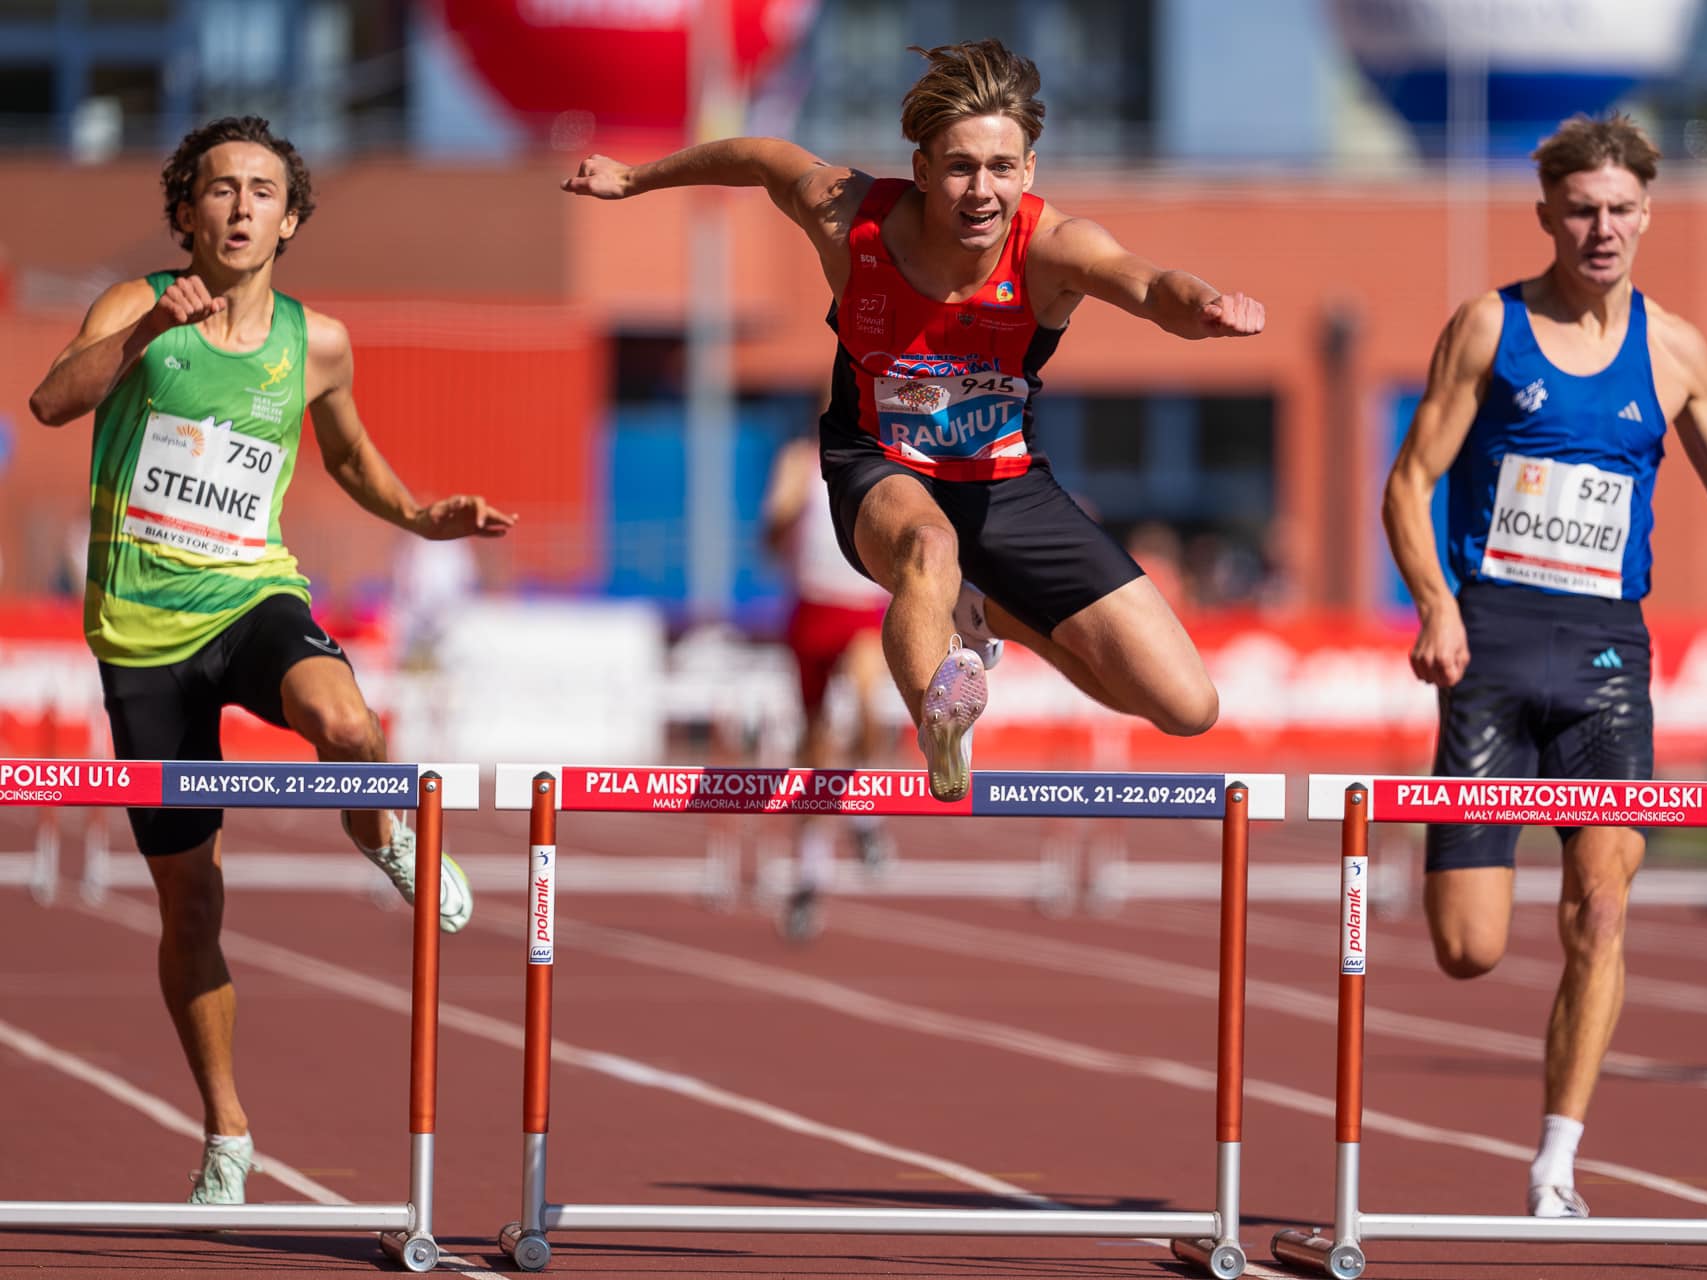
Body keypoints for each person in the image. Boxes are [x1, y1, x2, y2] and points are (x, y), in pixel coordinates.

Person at [27, 116, 517, 1205]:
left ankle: (385, 836)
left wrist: (423, 514)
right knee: (191, 903)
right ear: (186, 213)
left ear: (290, 220)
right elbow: (51, 401)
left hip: (252, 593)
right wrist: (156, 321)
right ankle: (227, 1130)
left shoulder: (317, 340)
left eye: (261, 192)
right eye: (218, 190)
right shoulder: (136, 303)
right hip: (141, 635)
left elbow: (346, 454)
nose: (240, 207)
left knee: (348, 725)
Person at [564, 39, 1262, 801]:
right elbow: (763, 157)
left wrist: (1206, 307)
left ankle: (988, 610)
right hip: (879, 468)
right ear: (923, 169)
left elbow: (1151, 284)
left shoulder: (1054, 248)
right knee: (929, 546)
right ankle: (941, 737)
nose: (980, 191)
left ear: (1028, 170)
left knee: (1186, 707)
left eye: (1001, 168)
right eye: (960, 167)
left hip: (1004, 483)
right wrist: (635, 176)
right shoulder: (853, 222)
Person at [1382, 113, 1707, 1218]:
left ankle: (1556, 1162)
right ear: (1546, 216)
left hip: (1609, 659)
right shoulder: (1489, 326)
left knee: (1603, 910)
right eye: (1583, 209)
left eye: (1622, 209)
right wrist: (1435, 604)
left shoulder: (1674, 349)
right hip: (1490, 645)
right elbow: (1407, 481)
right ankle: (1476, 896)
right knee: (1469, 948)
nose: (1603, 228)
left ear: (1648, 216)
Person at [760, 433, 902, 940]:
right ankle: (811, 869)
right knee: (815, 744)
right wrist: (783, 514)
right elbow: (769, 543)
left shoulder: (888, 456)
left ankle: (862, 814)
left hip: (862, 606)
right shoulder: (798, 460)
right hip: (812, 608)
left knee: (866, 703)